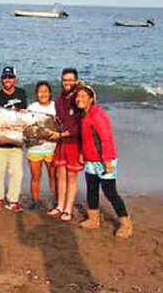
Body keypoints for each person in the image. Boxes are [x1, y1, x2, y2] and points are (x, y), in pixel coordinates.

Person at [75, 85, 131, 238]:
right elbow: (84, 138)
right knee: (92, 190)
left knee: (110, 192)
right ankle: (93, 219)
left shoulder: (98, 115)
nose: (79, 99)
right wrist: (82, 153)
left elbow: (106, 139)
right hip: (91, 160)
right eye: (78, 96)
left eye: (83, 96)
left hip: (105, 159)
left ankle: (126, 224)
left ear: (91, 99)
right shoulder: (83, 115)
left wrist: (107, 161)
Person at [0, 66, 27, 213]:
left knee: (17, 173)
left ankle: (13, 200)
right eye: (5, 77)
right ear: (1, 80)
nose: (7, 80)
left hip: (16, 141)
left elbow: (23, 118)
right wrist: (0, 137)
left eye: (10, 77)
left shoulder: (21, 93)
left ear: (15, 79)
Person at [47, 68, 83, 221]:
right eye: (65, 79)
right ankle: (59, 206)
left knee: (71, 176)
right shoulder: (59, 99)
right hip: (61, 142)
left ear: (76, 81)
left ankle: (68, 209)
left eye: (70, 79)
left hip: (74, 142)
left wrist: (62, 134)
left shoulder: (79, 98)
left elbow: (79, 125)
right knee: (60, 174)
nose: (67, 82)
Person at [26, 81, 57, 210]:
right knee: (35, 176)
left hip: (52, 148)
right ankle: (35, 200)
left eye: (45, 91)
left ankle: (58, 200)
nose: (43, 94)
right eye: (40, 91)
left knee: (54, 176)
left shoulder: (56, 107)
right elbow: (27, 128)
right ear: (36, 94)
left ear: (50, 93)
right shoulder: (32, 107)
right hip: (35, 148)